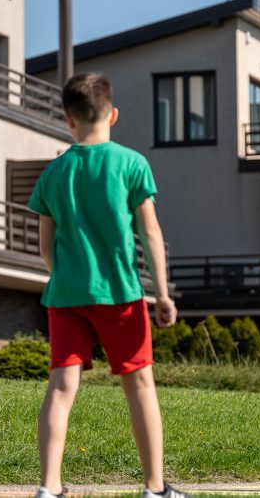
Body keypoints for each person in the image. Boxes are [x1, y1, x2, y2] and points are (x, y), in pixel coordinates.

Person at [27, 73, 187, 498]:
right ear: (112, 114)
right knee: (140, 385)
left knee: (61, 388)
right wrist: (163, 293)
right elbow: (150, 233)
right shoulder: (132, 164)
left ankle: (48, 486)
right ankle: (154, 488)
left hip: (65, 295)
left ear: (67, 119)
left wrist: (65, 273)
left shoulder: (55, 172)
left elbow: (46, 245)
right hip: (120, 293)